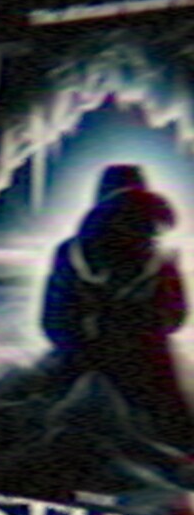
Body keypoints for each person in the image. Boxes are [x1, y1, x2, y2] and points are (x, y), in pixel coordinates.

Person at [39, 163, 194, 452]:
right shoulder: (164, 256)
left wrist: (85, 339)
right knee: (173, 436)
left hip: (83, 361)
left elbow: (54, 321)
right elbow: (175, 317)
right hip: (149, 366)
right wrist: (139, 328)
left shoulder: (69, 251)